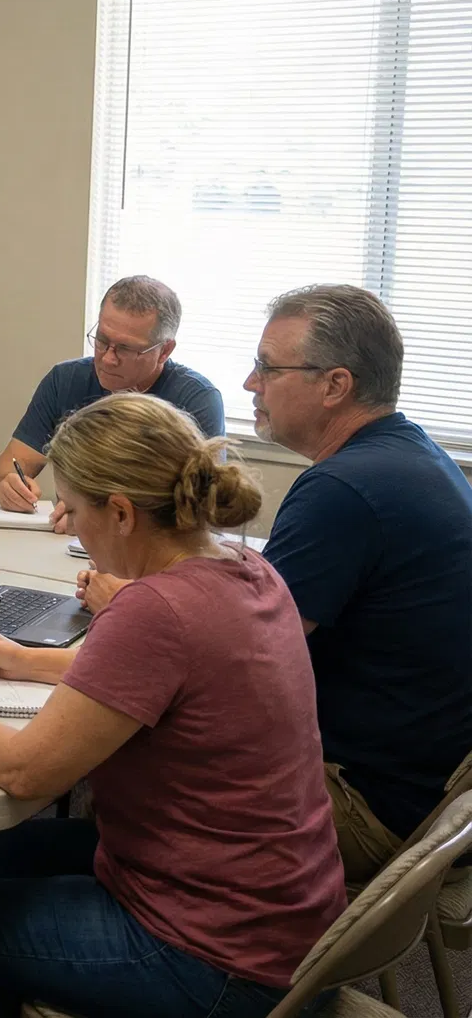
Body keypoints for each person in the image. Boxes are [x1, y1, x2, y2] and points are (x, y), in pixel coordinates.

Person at [0, 393, 344, 1018]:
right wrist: (26, 660)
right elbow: (170, 680)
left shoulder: (152, 610)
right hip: (292, 917)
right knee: (22, 852)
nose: (69, 523)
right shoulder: (246, 566)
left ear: (122, 513)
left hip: (222, 964)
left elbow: (27, 772)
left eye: (73, 509)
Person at [241, 283, 472, 883]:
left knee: (132, 758)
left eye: (267, 367)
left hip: (372, 808)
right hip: (438, 794)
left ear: (335, 385)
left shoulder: (341, 490)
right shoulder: (414, 453)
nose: (250, 384)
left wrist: (131, 606)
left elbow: (236, 659)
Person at [0, 275, 223, 523]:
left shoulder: (196, 399)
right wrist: (10, 486)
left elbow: (203, 509)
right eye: (102, 341)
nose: (108, 358)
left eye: (125, 348)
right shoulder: (65, 381)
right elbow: (6, 469)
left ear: (165, 350)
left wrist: (99, 522)